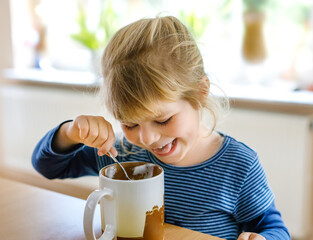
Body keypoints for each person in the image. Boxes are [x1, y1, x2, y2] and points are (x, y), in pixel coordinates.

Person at [32, 16, 290, 240]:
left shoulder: (239, 165)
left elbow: (272, 227)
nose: (146, 138)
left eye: (163, 120)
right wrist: (69, 133)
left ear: (200, 93)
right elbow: (48, 168)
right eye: (130, 123)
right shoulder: (122, 153)